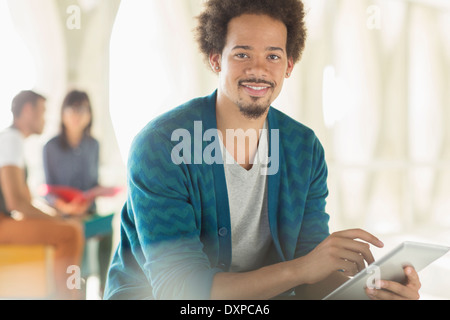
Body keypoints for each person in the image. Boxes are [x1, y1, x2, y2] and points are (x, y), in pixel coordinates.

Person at [104, 0, 421, 300]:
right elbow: (180, 288)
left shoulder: (304, 150)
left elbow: (312, 277)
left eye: (273, 56)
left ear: (289, 65)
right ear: (216, 58)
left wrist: (373, 291)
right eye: (242, 54)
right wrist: (301, 269)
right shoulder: (161, 147)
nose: (258, 69)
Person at [0, 90, 84, 300]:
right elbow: (16, 202)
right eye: (42, 112)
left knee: (71, 227)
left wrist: (58, 213)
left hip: (6, 221)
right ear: (27, 111)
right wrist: (58, 218)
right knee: (71, 233)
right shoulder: (11, 140)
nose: (45, 120)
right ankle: (68, 296)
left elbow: (26, 200)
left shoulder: (12, 140)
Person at [43, 90, 113, 298]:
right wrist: (66, 207)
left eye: (82, 109)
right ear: (62, 114)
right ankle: (77, 293)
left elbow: (92, 183)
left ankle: (104, 288)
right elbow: (48, 190)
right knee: (77, 241)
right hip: (63, 216)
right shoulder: (50, 146)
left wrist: (99, 191)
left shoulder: (94, 145)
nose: (77, 114)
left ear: (90, 115)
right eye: (72, 109)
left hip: (88, 211)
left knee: (109, 229)